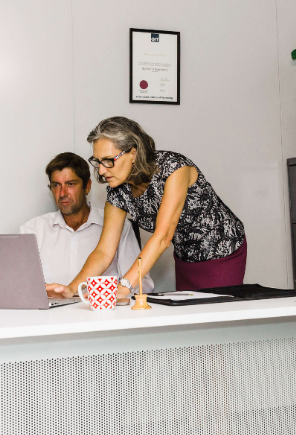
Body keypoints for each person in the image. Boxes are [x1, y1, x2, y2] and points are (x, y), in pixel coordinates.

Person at [46, 117, 246, 300]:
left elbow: (163, 237)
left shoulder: (174, 168)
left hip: (223, 250)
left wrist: (124, 287)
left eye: (108, 161)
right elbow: (103, 251)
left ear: (133, 153)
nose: (102, 170)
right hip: (186, 257)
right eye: (97, 162)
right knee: (192, 321)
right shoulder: (118, 190)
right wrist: (72, 289)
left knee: (216, 320)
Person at [20, 152, 153, 292]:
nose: (63, 193)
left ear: (87, 186)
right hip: (50, 312)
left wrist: (107, 298)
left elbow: (141, 285)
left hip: (101, 311)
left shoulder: (118, 226)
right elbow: (19, 287)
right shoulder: (32, 230)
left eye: (70, 184)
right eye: (56, 185)